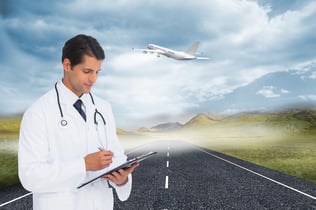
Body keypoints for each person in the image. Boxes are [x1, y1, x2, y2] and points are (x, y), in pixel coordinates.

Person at [18, 34, 138, 210]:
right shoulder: (38, 113)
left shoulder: (103, 108)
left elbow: (117, 156)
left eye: (97, 72)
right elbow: (30, 176)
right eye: (87, 71)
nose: (93, 79)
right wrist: (83, 165)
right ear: (67, 65)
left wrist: (122, 179)